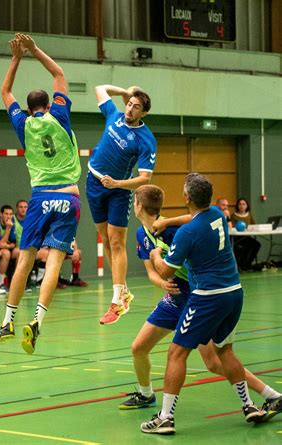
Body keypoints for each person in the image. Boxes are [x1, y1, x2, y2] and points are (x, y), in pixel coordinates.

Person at [119, 184, 282, 421]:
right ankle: (146, 395)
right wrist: (161, 283)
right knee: (138, 348)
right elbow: (153, 272)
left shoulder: (176, 229)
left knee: (214, 362)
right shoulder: (141, 233)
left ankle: (269, 394)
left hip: (195, 296)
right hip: (173, 298)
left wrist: (163, 263)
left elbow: (194, 224)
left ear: (139, 205)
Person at [0, 33, 81, 354]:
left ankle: (7, 320)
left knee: (25, 260)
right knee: (55, 261)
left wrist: (16, 58)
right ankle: (38, 322)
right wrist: (34, 49)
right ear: (49, 103)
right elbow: (58, 74)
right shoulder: (60, 115)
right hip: (68, 198)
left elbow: (4, 91)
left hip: (40, 198)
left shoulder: (22, 124)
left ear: (29, 108)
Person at [86, 83, 156, 325]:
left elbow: (145, 178)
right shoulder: (114, 115)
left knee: (116, 241)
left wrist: (117, 184)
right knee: (105, 238)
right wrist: (125, 91)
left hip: (118, 190)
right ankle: (123, 291)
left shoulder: (146, 140)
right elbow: (99, 88)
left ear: (143, 113)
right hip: (94, 183)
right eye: (129, 104)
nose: (130, 109)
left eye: (136, 107)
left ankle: (117, 301)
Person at [230, 198, 261, 270]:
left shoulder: (249, 215)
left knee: (257, 245)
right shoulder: (233, 216)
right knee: (248, 246)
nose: (241, 206)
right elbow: (233, 228)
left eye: (243, 204)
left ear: (247, 206)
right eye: (240, 204)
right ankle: (243, 264)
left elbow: (254, 225)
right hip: (237, 238)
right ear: (237, 206)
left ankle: (248, 263)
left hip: (247, 237)